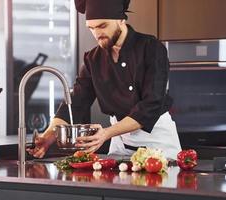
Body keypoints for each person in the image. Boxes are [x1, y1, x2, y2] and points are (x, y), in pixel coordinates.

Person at [28, 0, 181, 160]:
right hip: (121, 144)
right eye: (91, 28)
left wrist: (106, 133)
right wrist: (47, 137)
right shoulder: (93, 59)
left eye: (102, 26)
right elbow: (75, 104)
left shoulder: (151, 48)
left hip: (158, 140)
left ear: (121, 20)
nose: (97, 34)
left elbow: (151, 104)